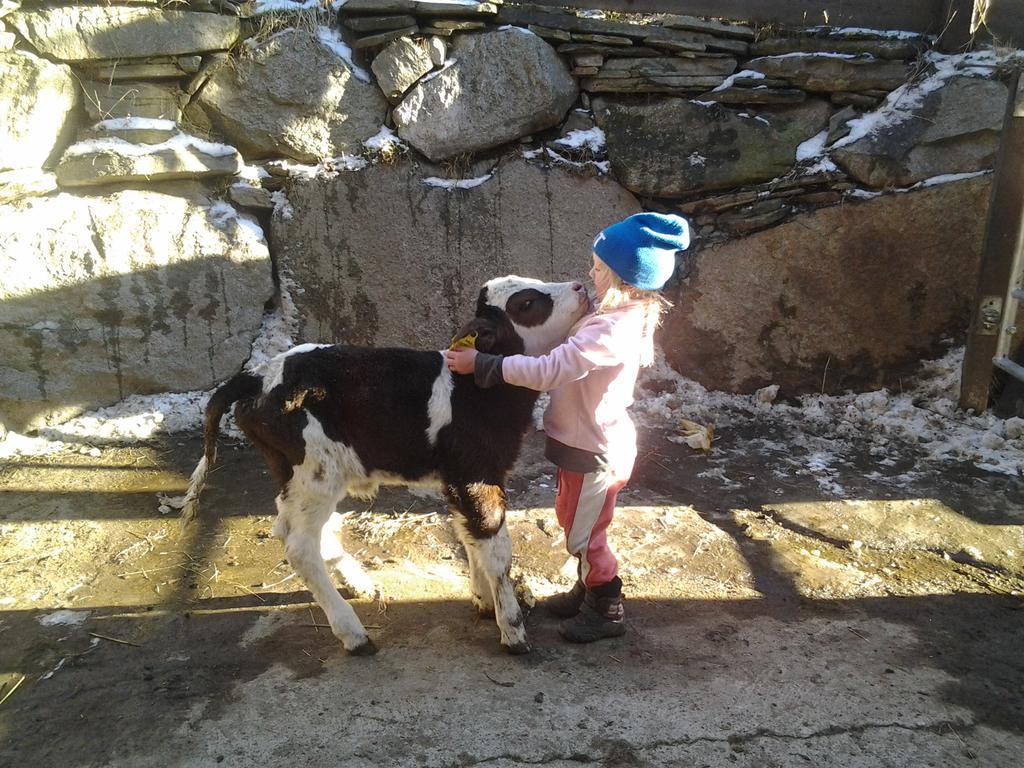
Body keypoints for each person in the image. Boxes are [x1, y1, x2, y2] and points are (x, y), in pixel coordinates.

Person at [445, 212, 691, 643]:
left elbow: (552, 369)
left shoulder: (611, 331)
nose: (589, 274)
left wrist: (485, 363)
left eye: (598, 269)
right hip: (582, 444)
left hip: (594, 450)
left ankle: (606, 605)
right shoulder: (613, 316)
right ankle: (587, 587)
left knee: (587, 534)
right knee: (574, 521)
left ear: (620, 278)